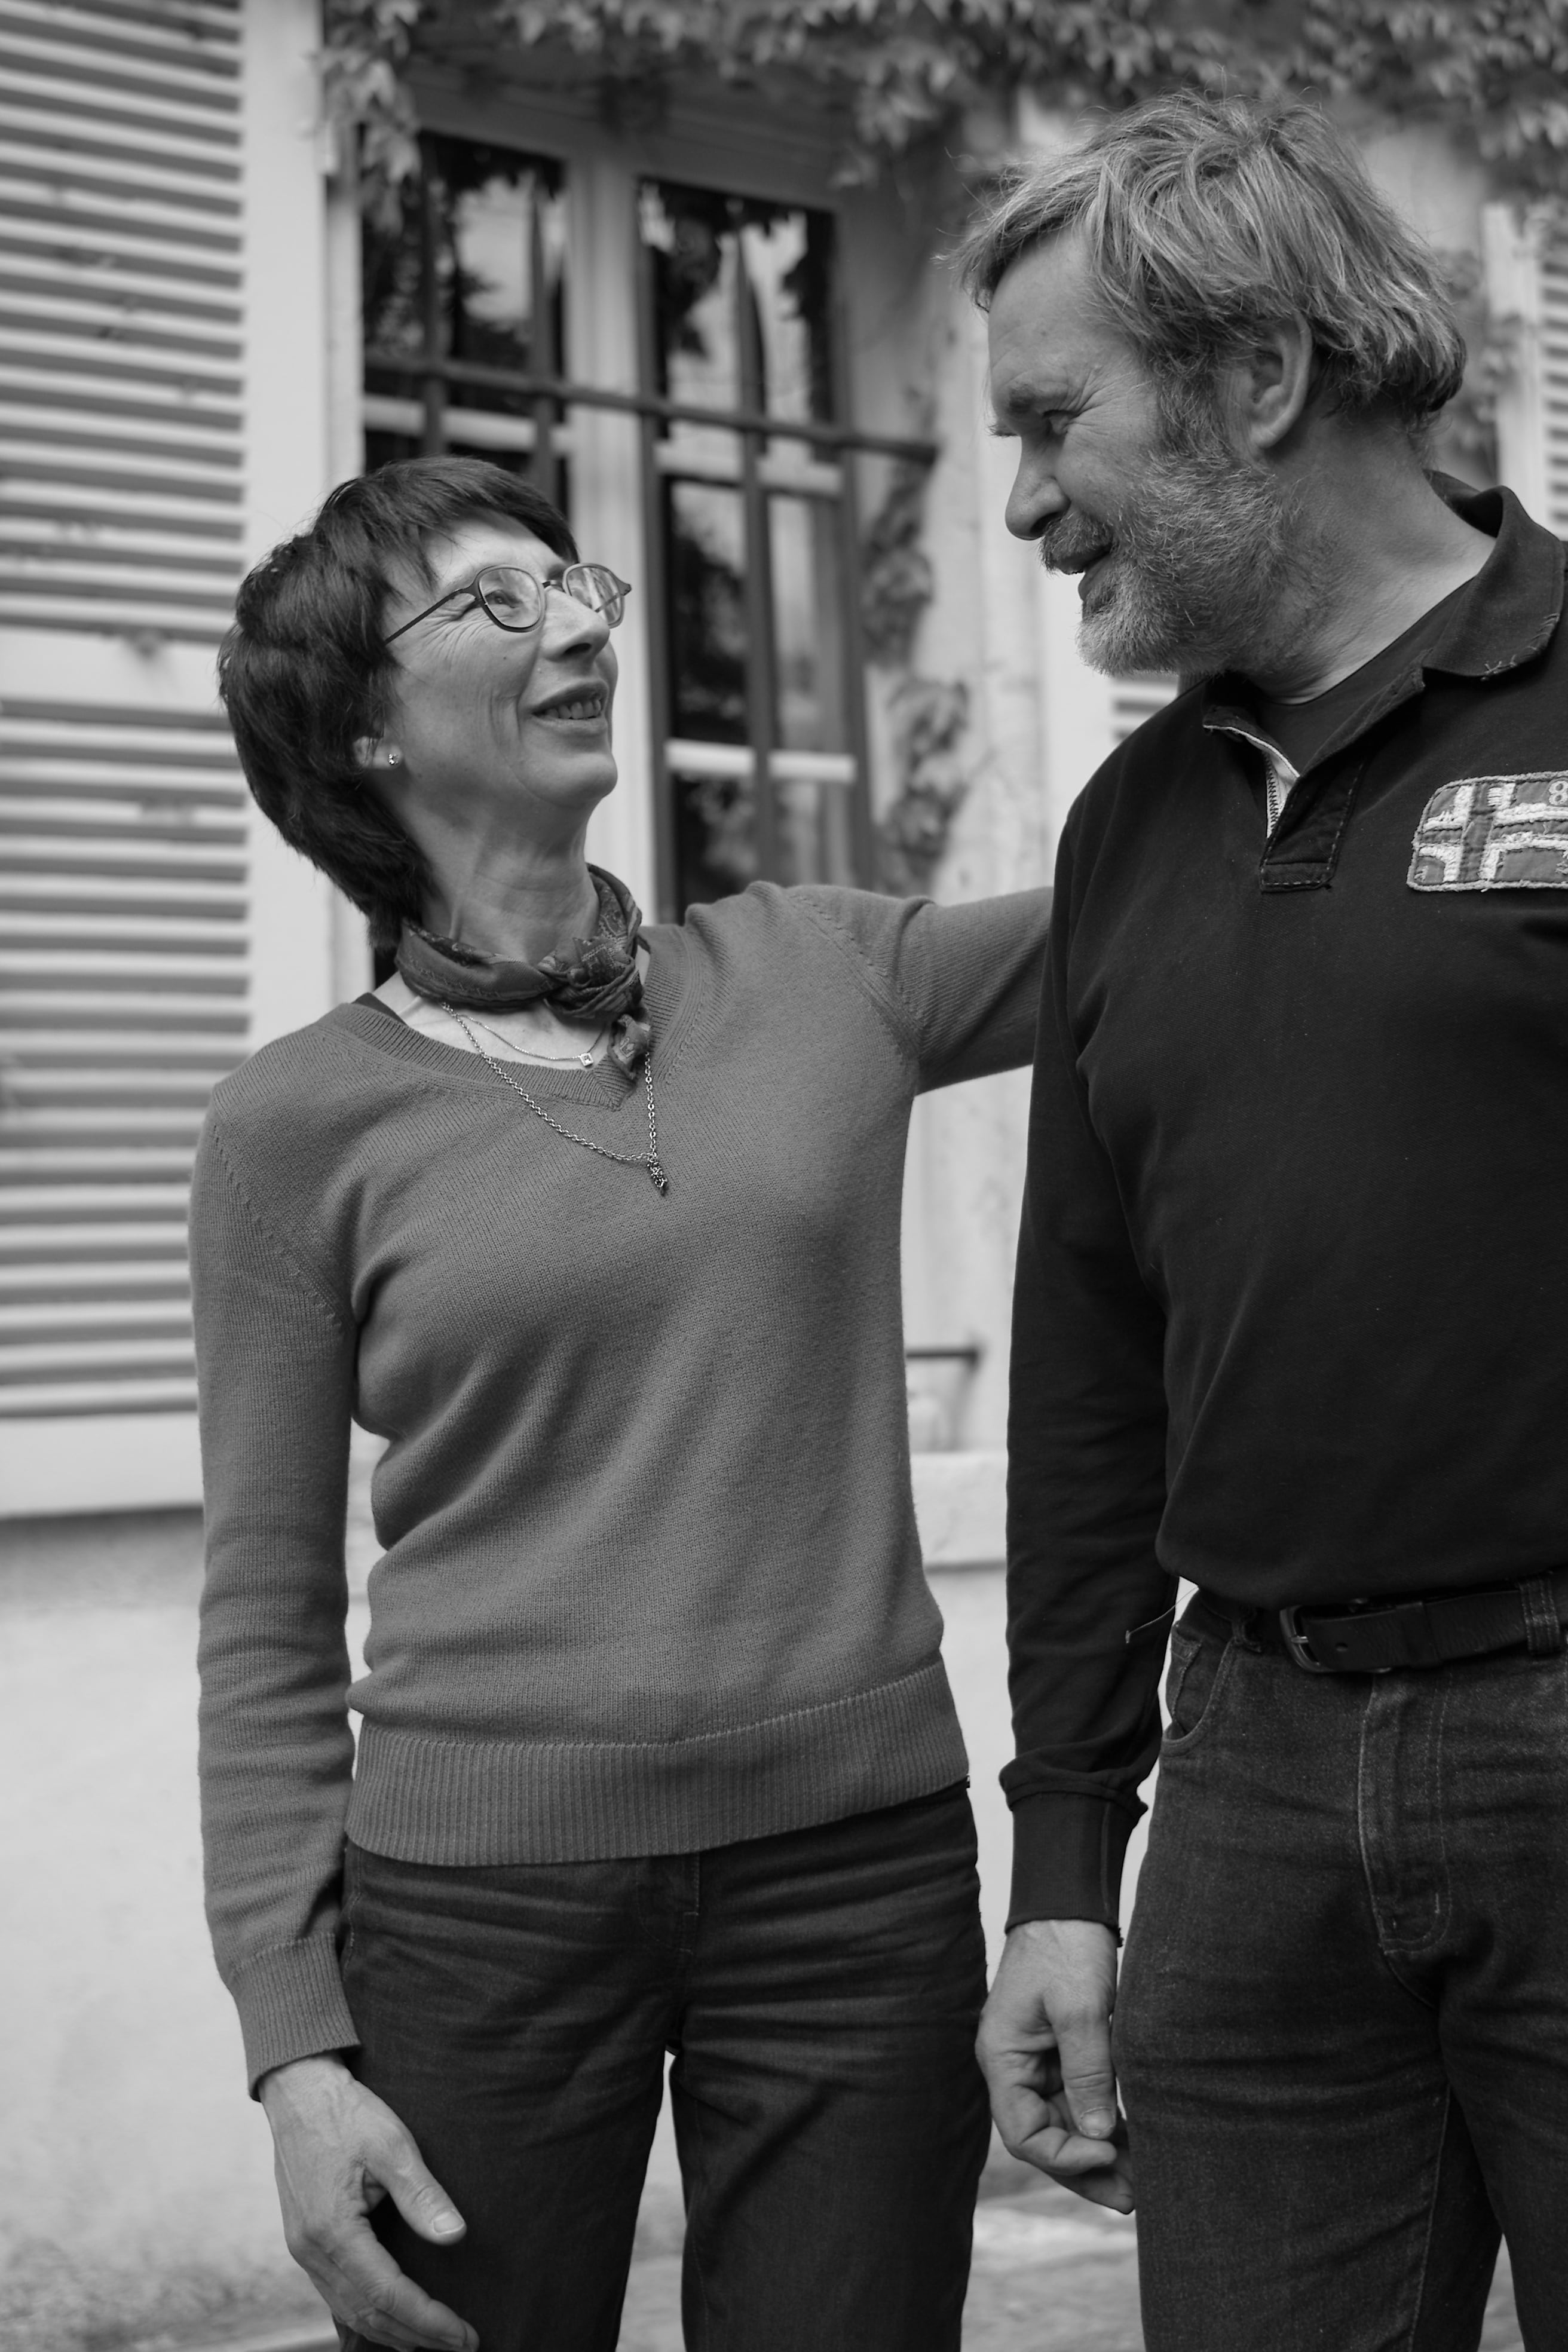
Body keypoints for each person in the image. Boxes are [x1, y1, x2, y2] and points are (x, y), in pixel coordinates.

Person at [192, 455, 1048, 2352]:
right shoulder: (290, 1128)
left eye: (578, 586)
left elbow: (1158, 906)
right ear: (362, 730)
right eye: (496, 604)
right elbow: (261, 1609)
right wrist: (294, 2049)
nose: (580, 625)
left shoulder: (825, 973)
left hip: (858, 1881)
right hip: (475, 1912)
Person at [960, 91, 1568, 2352]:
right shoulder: (1130, 824)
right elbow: (1088, 1369)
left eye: (1055, 422)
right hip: (1250, 1777)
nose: (1022, 503)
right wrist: (1062, 1862)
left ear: (1258, 376)